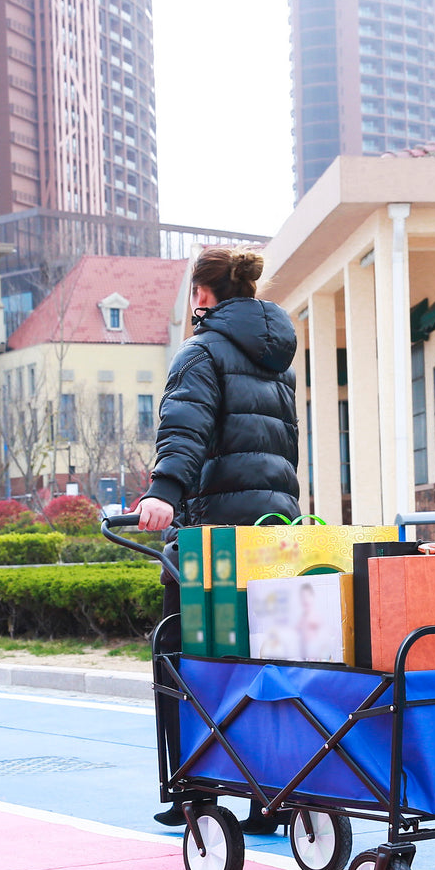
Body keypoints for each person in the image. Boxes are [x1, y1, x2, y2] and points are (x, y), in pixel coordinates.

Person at [131, 246, 300, 832]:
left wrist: (163, 492)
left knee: (185, 658)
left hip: (216, 544)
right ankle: (270, 793)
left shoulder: (200, 353)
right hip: (277, 534)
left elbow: (186, 426)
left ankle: (193, 791)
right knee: (267, 660)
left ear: (202, 296)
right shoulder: (279, 360)